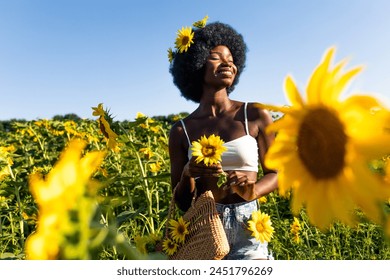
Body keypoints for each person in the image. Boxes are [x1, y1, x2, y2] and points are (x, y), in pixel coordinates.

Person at [168, 19, 278, 260]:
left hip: (248, 225)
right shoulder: (181, 130)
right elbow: (183, 202)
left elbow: (277, 172)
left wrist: (253, 190)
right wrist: (188, 174)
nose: (228, 62)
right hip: (204, 228)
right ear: (195, 63)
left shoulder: (255, 114)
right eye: (217, 57)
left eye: (231, 58)